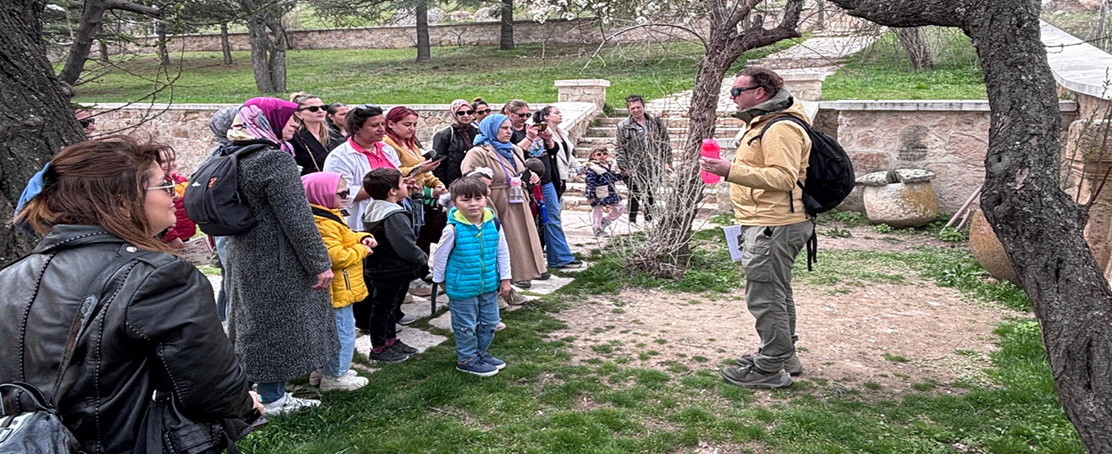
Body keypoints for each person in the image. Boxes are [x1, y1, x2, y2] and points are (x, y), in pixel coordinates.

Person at [1, 135, 263, 453]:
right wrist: (245, 403)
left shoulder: (9, 277)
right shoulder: (158, 275)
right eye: (164, 185)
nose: (173, 196)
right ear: (121, 201)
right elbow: (211, 387)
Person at [699, 67, 814, 389]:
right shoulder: (764, 122)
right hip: (769, 221)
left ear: (760, 93)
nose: (732, 97)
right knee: (776, 292)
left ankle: (769, 367)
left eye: (737, 91)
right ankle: (783, 354)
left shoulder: (780, 128)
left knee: (765, 296)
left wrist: (730, 170)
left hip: (774, 223)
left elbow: (783, 178)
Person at [223, 97, 339, 413]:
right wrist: (319, 264)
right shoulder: (273, 160)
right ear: (270, 121)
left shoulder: (233, 153)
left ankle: (242, 392)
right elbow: (297, 218)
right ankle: (273, 397)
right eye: (289, 119)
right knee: (274, 326)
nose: (294, 125)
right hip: (276, 257)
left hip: (242, 251)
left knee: (249, 322)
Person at [432, 177, 512, 377]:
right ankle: (466, 359)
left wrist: (506, 278)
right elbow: (440, 257)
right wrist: (440, 281)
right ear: (455, 202)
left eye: (478, 198)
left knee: (490, 321)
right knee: (466, 325)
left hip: (487, 284)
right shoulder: (452, 229)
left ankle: (480, 353)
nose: (473, 204)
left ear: (486, 198)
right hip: (462, 287)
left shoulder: (493, 222)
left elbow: (502, 251)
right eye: (466, 200)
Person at [303, 172, 376, 391]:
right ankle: (336, 377)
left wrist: (360, 236)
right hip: (338, 288)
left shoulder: (327, 214)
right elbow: (336, 256)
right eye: (341, 193)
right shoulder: (323, 223)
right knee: (343, 333)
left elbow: (345, 236)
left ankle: (322, 371)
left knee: (328, 332)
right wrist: (362, 249)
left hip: (338, 287)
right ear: (321, 195)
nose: (346, 196)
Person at [461, 113, 547, 289]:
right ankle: (493, 289)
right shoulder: (478, 153)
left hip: (517, 202)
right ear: (491, 129)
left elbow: (520, 171)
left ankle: (513, 282)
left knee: (518, 245)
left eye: (510, 128)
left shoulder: (514, 150)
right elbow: (471, 183)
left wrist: (530, 177)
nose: (509, 132)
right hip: (496, 203)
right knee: (497, 248)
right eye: (504, 128)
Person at [361, 168, 427, 363]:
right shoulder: (393, 215)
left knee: (389, 308)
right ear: (393, 191)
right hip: (392, 268)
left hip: (379, 267)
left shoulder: (374, 208)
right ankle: (379, 348)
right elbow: (405, 244)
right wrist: (421, 258)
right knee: (383, 309)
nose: (406, 185)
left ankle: (391, 341)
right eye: (402, 183)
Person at [383, 106, 446, 297]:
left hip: (418, 198)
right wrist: (418, 169)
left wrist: (438, 184)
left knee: (421, 236)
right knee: (409, 237)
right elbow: (392, 170)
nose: (411, 128)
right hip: (402, 197)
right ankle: (410, 278)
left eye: (414, 125)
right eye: (407, 124)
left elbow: (425, 171)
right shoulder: (387, 143)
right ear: (391, 124)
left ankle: (419, 272)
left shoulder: (409, 144)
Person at [323, 104, 401, 232]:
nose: (382, 129)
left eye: (382, 124)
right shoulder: (339, 157)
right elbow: (343, 195)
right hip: (361, 225)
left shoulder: (387, 149)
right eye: (375, 126)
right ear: (357, 128)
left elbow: (397, 176)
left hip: (392, 218)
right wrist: (388, 186)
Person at [531, 107, 582, 269]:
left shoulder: (561, 132)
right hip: (548, 178)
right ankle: (559, 256)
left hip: (558, 178)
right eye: (556, 113)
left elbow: (566, 153)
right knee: (551, 217)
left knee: (553, 217)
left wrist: (578, 167)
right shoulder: (538, 133)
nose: (560, 115)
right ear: (546, 117)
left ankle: (557, 256)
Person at [615, 94, 672, 223]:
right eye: (632, 108)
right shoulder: (623, 126)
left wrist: (667, 162)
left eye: (638, 107)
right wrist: (624, 168)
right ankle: (632, 220)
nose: (636, 110)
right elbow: (619, 148)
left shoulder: (655, 123)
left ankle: (649, 219)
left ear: (643, 106)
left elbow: (665, 143)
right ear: (629, 110)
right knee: (634, 194)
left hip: (653, 165)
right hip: (634, 166)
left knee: (651, 193)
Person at [290, 93, 344, 175]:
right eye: (313, 109)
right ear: (298, 114)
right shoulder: (293, 137)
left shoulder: (334, 135)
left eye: (323, 107)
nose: (320, 111)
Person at [432, 99, 481, 187]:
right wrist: (443, 186)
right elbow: (437, 164)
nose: (466, 115)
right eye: (461, 113)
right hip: (453, 183)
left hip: (475, 181)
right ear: (454, 114)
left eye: (469, 112)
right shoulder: (444, 135)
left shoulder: (477, 132)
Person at [156, 146, 196, 249]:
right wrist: (171, 236)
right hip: (168, 238)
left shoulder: (181, 180)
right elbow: (158, 215)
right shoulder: (156, 186)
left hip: (185, 233)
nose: (170, 164)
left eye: (172, 159)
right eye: (163, 161)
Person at [584, 146, 627, 237]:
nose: (602, 156)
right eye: (599, 154)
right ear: (593, 156)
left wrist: (623, 175)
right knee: (598, 210)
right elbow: (590, 182)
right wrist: (590, 195)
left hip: (610, 191)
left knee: (621, 206)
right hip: (598, 193)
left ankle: (605, 221)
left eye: (604, 153)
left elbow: (613, 178)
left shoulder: (610, 166)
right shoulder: (592, 167)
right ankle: (597, 228)